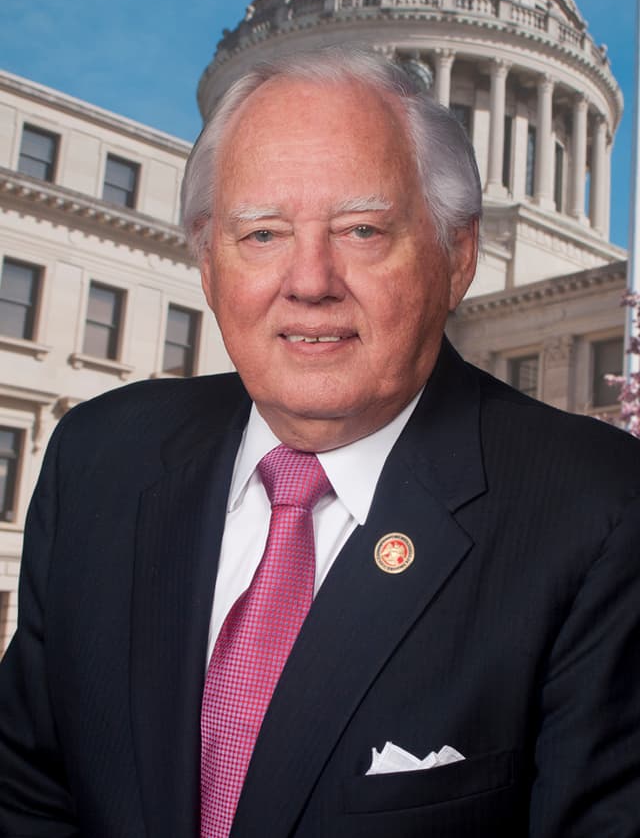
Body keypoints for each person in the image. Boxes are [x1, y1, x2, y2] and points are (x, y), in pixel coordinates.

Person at [1, 47, 639, 838]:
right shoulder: (98, 458)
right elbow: (27, 794)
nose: (309, 281)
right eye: (262, 233)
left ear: (458, 255)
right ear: (207, 260)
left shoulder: (599, 513)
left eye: (363, 229)